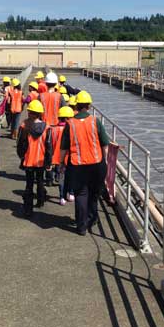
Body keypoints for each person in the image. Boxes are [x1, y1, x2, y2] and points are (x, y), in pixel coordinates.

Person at [60, 91, 110, 236]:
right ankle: (92, 218)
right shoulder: (95, 121)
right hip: (96, 164)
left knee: (81, 195)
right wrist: (104, 161)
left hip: (77, 165)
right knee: (94, 193)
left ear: (76, 105)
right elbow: (105, 144)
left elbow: (63, 148)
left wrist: (61, 163)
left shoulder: (70, 124)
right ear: (88, 105)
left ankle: (81, 227)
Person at [17, 100, 53, 216]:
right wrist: (48, 162)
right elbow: (49, 146)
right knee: (40, 181)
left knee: (29, 184)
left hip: (28, 160)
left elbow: (20, 144)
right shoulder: (47, 127)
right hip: (41, 160)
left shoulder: (24, 125)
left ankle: (28, 208)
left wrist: (22, 156)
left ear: (30, 112)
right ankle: (40, 201)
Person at [50, 106, 74, 205]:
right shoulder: (72, 130)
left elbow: (50, 145)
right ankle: (71, 193)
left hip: (57, 158)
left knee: (61, 178)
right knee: (72, 176)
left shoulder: (53, 129)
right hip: (71, 157)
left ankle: (62, 197)